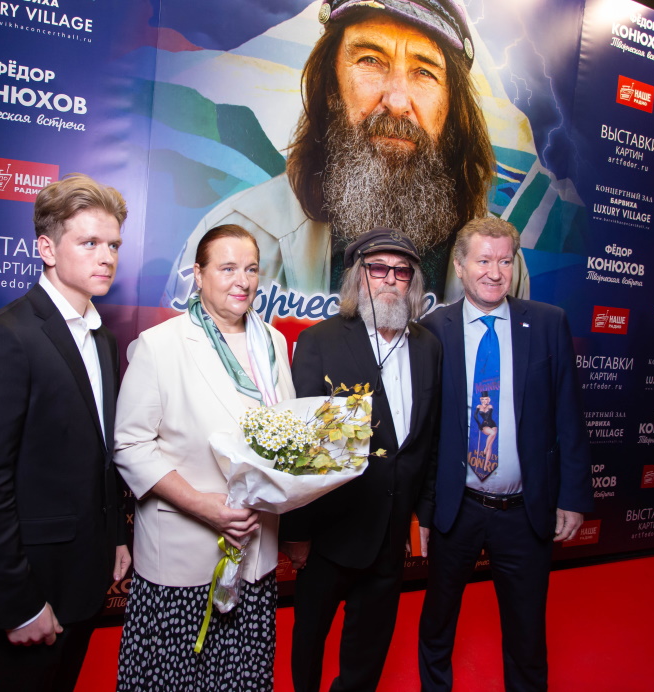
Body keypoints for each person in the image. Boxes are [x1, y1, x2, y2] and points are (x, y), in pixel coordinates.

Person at [163, 0, 530, 312]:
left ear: (451, 106)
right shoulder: (237, 235)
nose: (397, 101)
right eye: (370, 60)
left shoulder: (498, 261)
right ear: (331, 87)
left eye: (424, 71)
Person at [0, 173, 132, 692]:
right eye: (90, 243)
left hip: (86, 575)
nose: (106, 257)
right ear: (47, 249)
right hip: (33, 587)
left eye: (113, 245)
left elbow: (99, 454)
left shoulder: (103, 339)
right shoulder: (5, 338)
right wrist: (19, 604)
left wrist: (116, 537)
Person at [113, 225, 295, 691]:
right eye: (227, 268)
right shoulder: (161, 344)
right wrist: (202, 505)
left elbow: (283, 434)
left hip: (255, 552)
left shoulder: (272, 343)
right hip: (184, 555)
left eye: (251, 269)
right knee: (172, 679)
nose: (242, 281)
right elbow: (130, 445)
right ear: (198, 274)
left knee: (241, 678)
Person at [418, 217, 594, 691]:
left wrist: (572, 497)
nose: (495, 273)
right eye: (483, 261)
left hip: (524, 511)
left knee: (527, 635)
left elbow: (569, 415)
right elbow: (426, 433)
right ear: (460, 266)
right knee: (437, 625)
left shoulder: (549, 323)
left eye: (504, 261)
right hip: (457, 508)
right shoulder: (433, 331)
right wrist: (424, 513)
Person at [280, 228, 442, 691]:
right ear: (358, 277)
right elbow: (301, 446)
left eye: (401, 271)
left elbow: (428, 439)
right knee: (309, 640)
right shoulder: (321, 341)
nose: (390, 279)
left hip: (391, 537)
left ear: (412, 283)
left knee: (368, 650)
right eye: (378, 269)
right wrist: (296, 532)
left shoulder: (428, 346)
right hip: (329, 534)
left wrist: (423, 515)